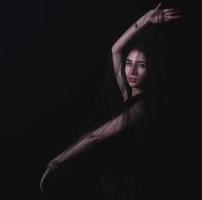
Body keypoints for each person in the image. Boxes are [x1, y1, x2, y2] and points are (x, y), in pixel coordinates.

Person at [39, 3, 180, 200]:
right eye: (129, 64)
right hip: (112, 182)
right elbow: (116, 50)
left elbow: (95, 137)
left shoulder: (141, 107)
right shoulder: (127, 94)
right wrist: (146, 19)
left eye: (140, 66)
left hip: (129, 187)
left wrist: (57, 162)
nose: (131, 72)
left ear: (151, 71)